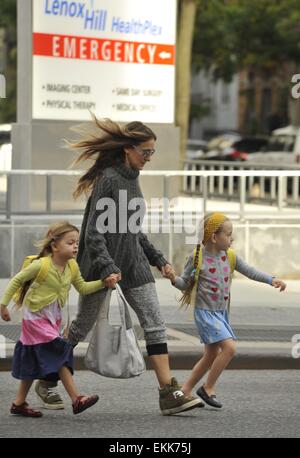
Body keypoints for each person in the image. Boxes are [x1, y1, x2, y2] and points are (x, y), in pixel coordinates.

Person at [36, 116, 202, 415]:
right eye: (145, 152)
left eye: (153, 153)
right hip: (102, 268)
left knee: (155, 324)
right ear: (128, 148)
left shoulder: (133, 179)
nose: (149, 158)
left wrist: (159, 259)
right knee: (80, 329)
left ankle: (168, 393)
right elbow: (93, 233)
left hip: (135, 265)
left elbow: (134, 231)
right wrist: (108, 267)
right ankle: (47, 379)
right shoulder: (109, 179)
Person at [166, 212, 286, 408]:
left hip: (221, 313)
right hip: (205, 313)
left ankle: (185, 392)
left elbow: (250, 271)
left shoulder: (229, 256)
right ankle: (207, 388)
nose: (232, 238)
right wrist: (172, 278)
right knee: (229, 348)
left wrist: (271, 279)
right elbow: (184, 283)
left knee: (210, 355)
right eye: (228, 234)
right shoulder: (197, 258)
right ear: (214, 237)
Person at [0, 221, 105, 417]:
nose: (75, 246)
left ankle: (19, 403)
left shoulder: (72, 266)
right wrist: (3, 305)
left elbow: (82, 287)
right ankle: (76, 399)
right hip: (35, 318)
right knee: (60, 351)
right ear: (55, 246)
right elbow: (17, 280)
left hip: (52, 319)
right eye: (70, 242)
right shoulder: (41, 265)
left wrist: (103, 283)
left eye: (77, 243)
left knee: (32, 359)